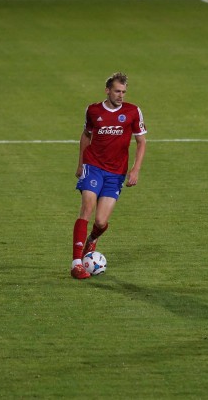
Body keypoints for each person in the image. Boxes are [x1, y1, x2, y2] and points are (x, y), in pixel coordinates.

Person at [70, 73, 147, 280]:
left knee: (101, 221)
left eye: (123, 92)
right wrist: (80, 164)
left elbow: (141, 141)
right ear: (107, 90)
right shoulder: (93, 110)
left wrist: (135, 169)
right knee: (87, 206)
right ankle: (76, 263)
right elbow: (86, 135)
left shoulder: (133, 111)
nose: (120, 95)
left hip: (116, 173)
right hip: (93, 165)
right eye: (117, 91)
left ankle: (92, 240)